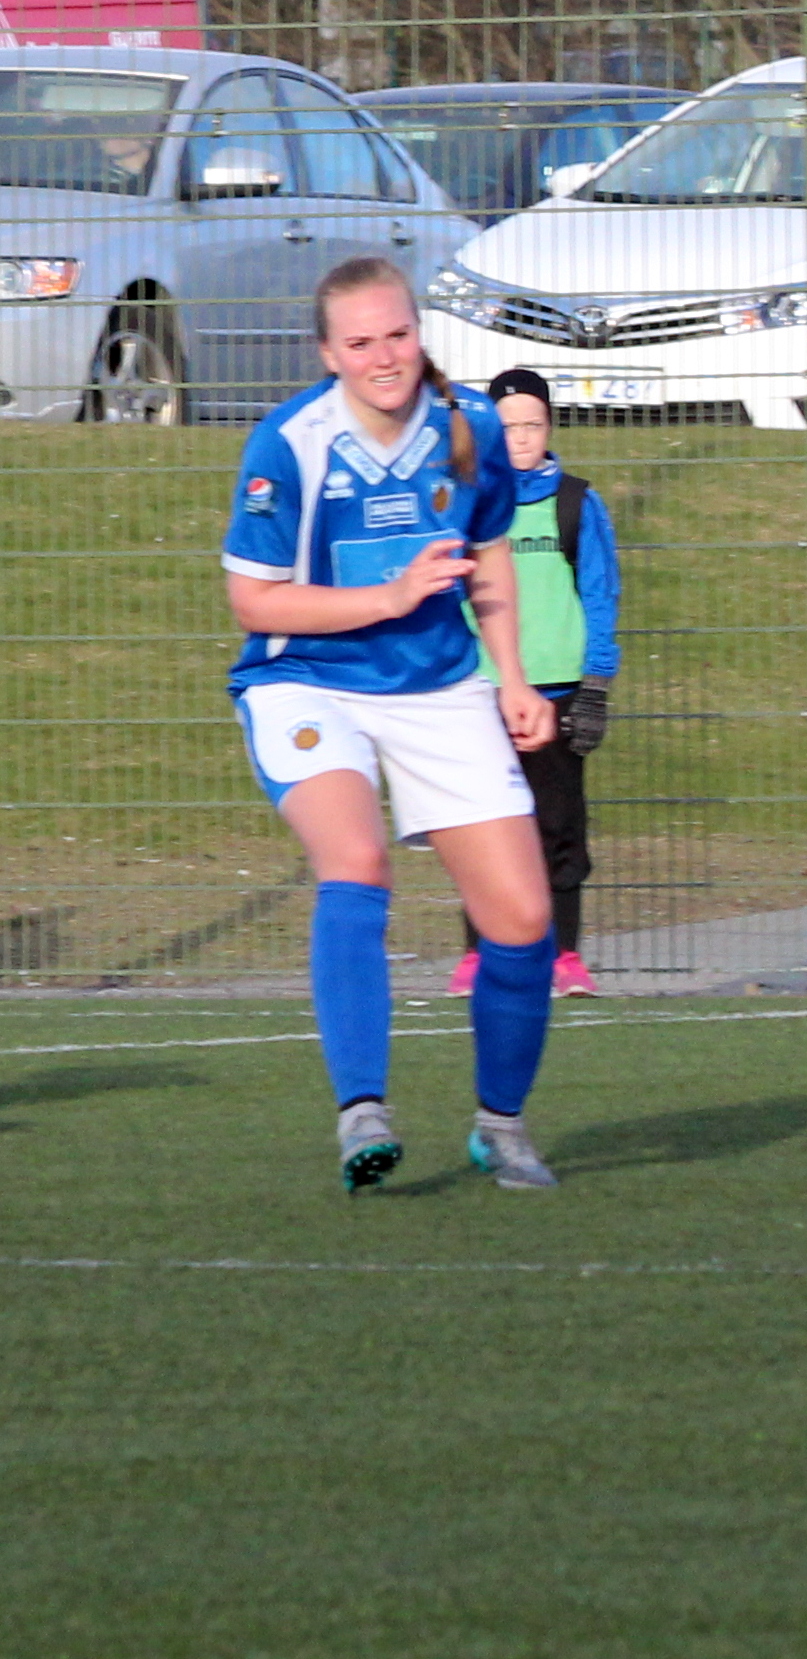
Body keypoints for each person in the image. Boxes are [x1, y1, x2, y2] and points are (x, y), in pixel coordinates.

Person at [221, 255, 565, 1193]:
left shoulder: (471, 425)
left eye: (399, 334)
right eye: (361, 341)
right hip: (307, 682)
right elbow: (254, 601)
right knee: (356, 859)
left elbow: (488, 554)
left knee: (523, 917)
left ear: (420, 333)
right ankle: (362, 1111)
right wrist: (390, 595)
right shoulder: (288, 444)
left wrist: (513, 678)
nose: (385, 356)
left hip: (438, 685)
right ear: (327, 353)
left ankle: (501, 1125)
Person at [445, 368, 620, 1003]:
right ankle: (478, 954)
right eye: (508, 426)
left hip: (558, 688)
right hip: (482, 688)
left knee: (558, 822)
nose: (521, 437)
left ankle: (564, 954)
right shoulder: (467, 501)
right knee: (481, 824)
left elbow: (599, 594)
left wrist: (595, 684)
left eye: (533, 425)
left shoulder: (575, 503)